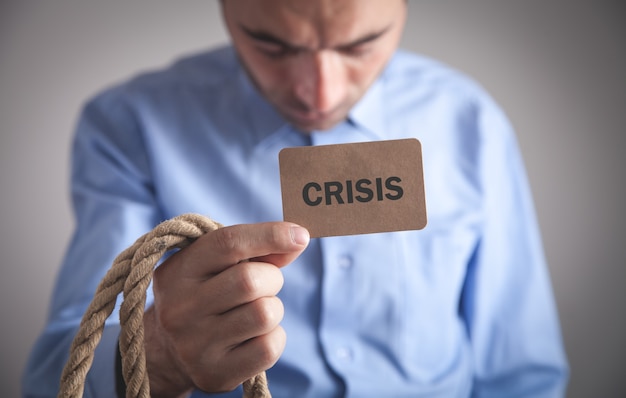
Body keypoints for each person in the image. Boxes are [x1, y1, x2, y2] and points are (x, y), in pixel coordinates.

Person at [23, 0, 569, 396]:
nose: (319, 93)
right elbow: (54, 373)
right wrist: (160, 359)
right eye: (272, 44)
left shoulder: (470, 121)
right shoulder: (129, 126)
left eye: (360, 44)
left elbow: (521, 372)